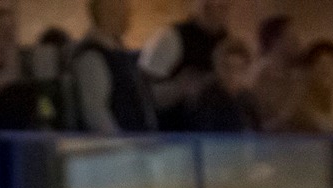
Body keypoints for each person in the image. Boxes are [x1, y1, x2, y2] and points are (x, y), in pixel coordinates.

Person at [139, 0, 233, 130]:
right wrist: (180, 88)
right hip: (175, 136)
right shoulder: (170, 38)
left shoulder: (228, 43)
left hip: (216, 136)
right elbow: (143, 95)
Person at [69, 0, 156, 133]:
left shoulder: (117, 49)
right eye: (121, 11)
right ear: (106, 12)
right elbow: (95, 113)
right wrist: (122, 145)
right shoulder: (91, 56)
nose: (127, 17)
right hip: (118, 149)